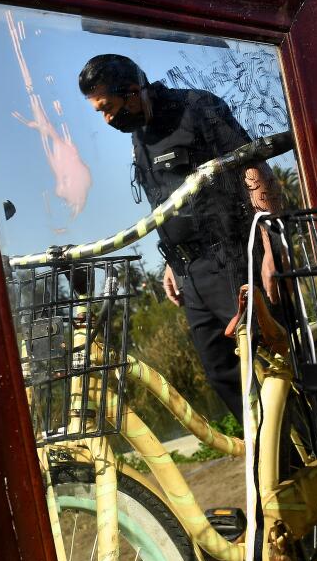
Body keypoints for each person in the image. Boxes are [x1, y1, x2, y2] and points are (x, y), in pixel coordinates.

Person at [78, 53, 281, 416]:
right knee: (221, 372)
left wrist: (271, 246)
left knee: (267, 360)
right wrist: (172, 262)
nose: (107, 119)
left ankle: (311, 450)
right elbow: (164, 200)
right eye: (100, 112)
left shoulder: (196, 107)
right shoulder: (139, 138)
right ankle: (279, 465)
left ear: (131, 89)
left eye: (108, 107)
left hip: (231, 256)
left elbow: (251, 166)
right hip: (189, 273)